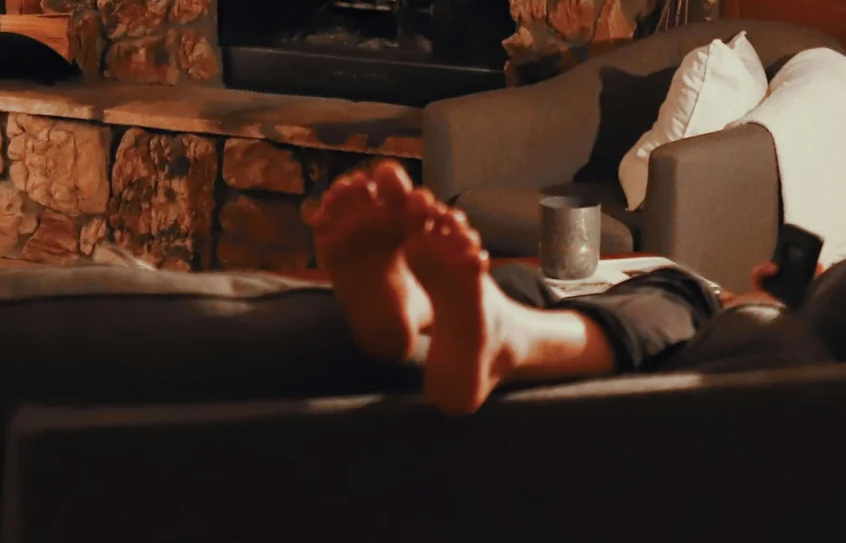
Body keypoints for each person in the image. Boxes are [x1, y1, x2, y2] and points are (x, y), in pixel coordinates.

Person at [308, 158, 804, 414]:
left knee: (682, 290)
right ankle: (420, 310)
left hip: (714, 311)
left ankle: (509, 341)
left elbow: (786, 324)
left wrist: (766, 302)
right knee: (520, 279)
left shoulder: (798, 337)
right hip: (702, 303)